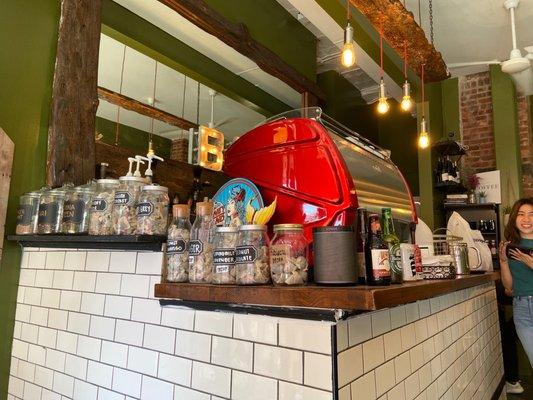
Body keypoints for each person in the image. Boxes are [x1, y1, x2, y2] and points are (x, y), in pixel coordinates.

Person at [499, 197, 533, 394]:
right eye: (521, 214)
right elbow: (508, 286)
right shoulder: (512, 246)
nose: (526, 219)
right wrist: (503, 262)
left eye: (531, 214)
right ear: (514, 219)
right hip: (521, 309)